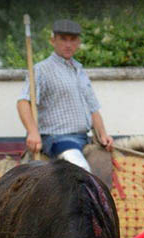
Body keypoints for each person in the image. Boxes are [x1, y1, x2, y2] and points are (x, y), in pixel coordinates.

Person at [17, 19, 113, 172]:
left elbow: (93, 109)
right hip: (57, 139)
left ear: (78, 42)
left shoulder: (80, 70)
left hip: (85, 138)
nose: (68, 45)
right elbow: (23, 102)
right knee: (81, 171)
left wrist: (103, 134)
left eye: (73, 40)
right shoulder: (42, 69)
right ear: (53, 40)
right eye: (63, 39)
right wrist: (33, 132)